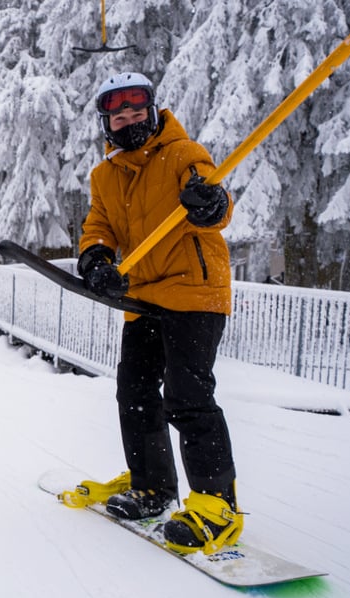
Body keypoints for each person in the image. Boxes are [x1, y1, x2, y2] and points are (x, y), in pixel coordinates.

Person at [76, 71, 241, 555]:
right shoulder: (105, 174)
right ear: (107, 123)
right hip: (143, 297)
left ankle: (217, 506)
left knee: (188, 396)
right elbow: (98, 226)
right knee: (136, 393)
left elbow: (216, 200)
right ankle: (153, 486)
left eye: (136, 112)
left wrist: (209, 203)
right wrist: (98, 259)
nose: (129, 122)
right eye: (118, 115)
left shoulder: (182, 152)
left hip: (194, 291)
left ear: (151, 112)